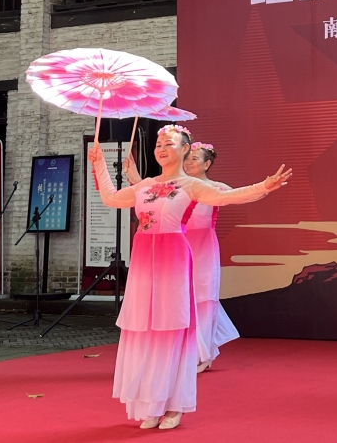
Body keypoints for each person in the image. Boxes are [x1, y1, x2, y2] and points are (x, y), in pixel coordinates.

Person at [89, 124, 291, 429]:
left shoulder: (191, 186)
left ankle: (174, 405)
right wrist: (98, 163)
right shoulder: (145, 186)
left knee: (172, 331)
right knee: (146, 333)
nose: (161, 148)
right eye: (159, 143)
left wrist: (264, 186)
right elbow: (110, 198)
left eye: (169, 143)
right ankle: (152, 403)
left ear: (185, 149)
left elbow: (228, 197)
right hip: (143, 264)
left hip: (173, 260)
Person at [128, 141, 239, 372]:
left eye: (195, 159)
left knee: (203, 299)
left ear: (207, 164)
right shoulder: (176, 187)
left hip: (204, 249)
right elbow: (148, 193)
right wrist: (135, 176)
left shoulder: (215, 188)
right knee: (181, 299)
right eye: (187, 158)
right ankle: (183, 352)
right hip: (179, 247)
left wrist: (263, 187)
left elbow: (239, 195)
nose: (188, 163)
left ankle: (203, 354)